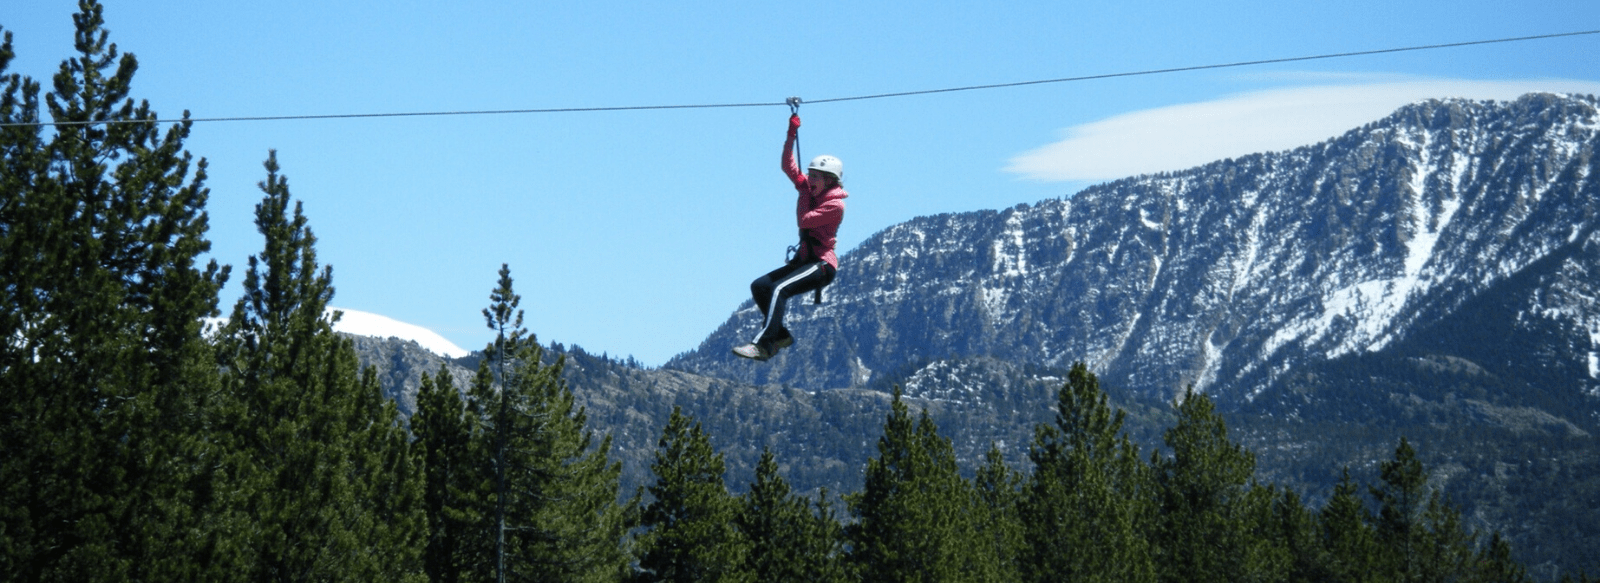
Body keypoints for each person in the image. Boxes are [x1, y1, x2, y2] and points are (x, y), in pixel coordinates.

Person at [732, 113, 848, 361]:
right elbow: (788, 166)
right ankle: (781, 335)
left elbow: (804, 221)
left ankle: (762, 345)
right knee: (760, 286)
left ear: (829, 181)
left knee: (779, 289)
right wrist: (791, 133)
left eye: (815, 176)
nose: (810, 179)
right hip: (805, 261)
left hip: (822, 264)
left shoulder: (835, 205)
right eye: (810, 174)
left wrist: (804, 194)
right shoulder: (812, 191)